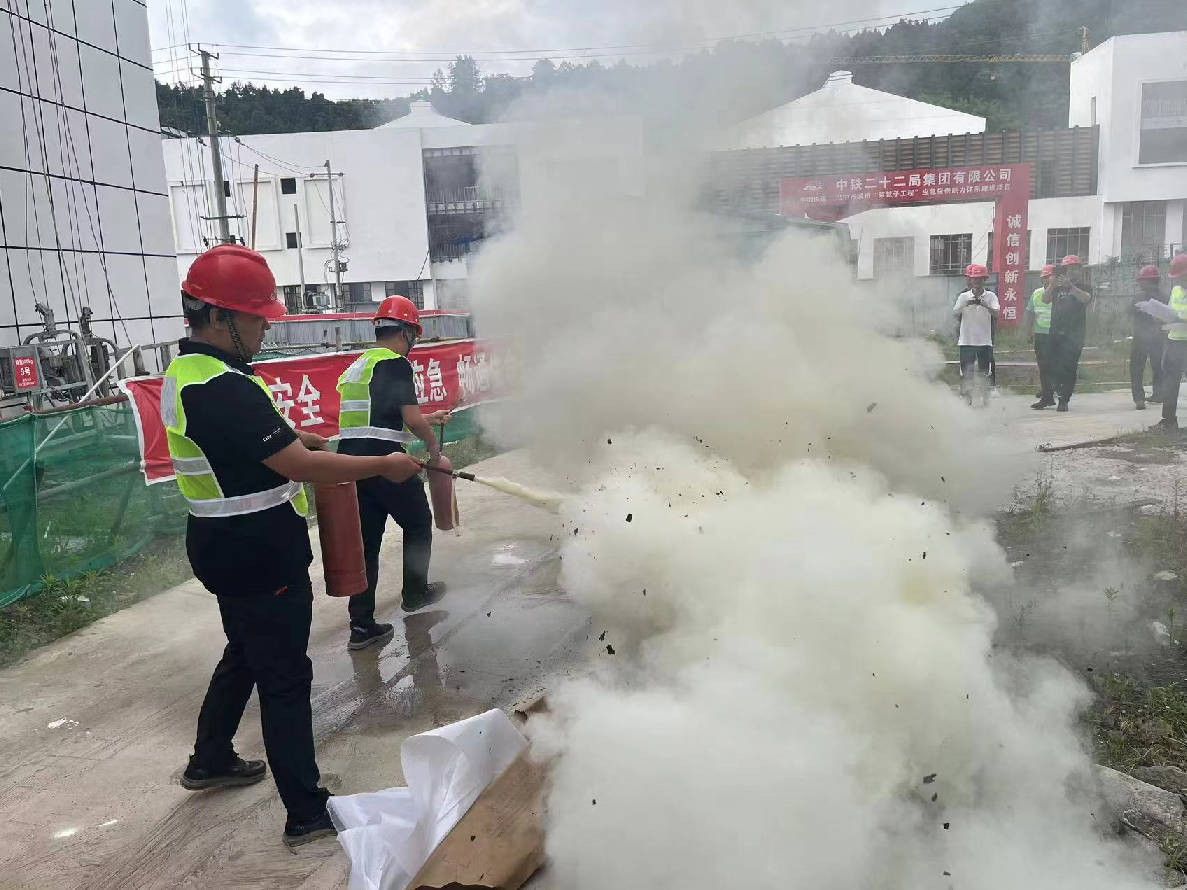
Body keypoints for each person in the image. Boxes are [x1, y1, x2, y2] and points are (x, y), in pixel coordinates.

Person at [167, 245, 422, 846]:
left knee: (244, 649)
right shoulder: (222, 387)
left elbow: (252, 443)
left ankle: (210, 757)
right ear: (219, 317)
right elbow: (297, 466)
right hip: (257, 551)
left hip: (222, 544)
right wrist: (382, 464)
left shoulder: (196, 372)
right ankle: (306, 810)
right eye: (257, 318)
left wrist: (295, 435)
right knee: (284, 677)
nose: (265, 328)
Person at [336, 296, 452, 651]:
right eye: (413, 335)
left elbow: (380, 418)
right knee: (418, 523)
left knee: (367, 543)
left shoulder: (360, 365)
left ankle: (361, 625)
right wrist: (433, 447)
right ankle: (415, 593)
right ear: (406, 333)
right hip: (386, 464)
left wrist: (428, 419)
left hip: (353, 468)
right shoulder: (396, 362)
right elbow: (411, 420)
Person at [1043, 255, 1093, 413]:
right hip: (1055, 332)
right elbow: (1045, 299)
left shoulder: (1084, 286)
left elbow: (1086, 299)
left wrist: (1071, 286)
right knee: (1051, 365)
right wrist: (1051, 285)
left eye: (1073, 269)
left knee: (1069, 367)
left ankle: (1064, 399)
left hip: (1074, 335)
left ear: (1079, 270)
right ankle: (1056, 390)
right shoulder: (1057, 287)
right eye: (1067, 269)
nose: (1070, 272)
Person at [952, 264, 999, 407]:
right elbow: (955, 313)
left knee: (985, 372)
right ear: (970, 280)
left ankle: (985, 398)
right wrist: (966, 304)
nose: (977, 281)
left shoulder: (990, 296)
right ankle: (967, 398)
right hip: (966, 341)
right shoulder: (963, 296)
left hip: (984, 341)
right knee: (967, 372)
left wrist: (985, 305)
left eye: (980, 279)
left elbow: (996, 313)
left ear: (985, 280)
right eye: (974, 279)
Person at [1154, 252, 1187, 431]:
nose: (1179, 281)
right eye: (1177, 278)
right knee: (1170, 382)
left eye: (1182, 277)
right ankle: (1168, 420)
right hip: (1174, 341)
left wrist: (1180, 320)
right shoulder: (1176, 290)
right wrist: (1162, 317)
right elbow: (1171, 311)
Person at [1131, 264, 1168, 410]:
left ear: (1149, 281)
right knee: (1157, 366)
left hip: (1144, 337)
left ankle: (1139, 399)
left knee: (1137, 368)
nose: (1140, 283)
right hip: (1156, 337)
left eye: (1142, 280)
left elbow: (1129, 311)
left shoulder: (1139, 297)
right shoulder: (1164, 297)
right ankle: (1158, 394)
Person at [1025, 265, 1057, 409]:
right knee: (1043, 366)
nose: (1047, 280)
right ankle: (1047, 394)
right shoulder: (1037, 293)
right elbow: (1030, 313)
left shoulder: (1060, 293)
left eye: (1050, 277)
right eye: (1045, 277)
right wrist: (1029, 332)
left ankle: (1049, 391)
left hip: (1057, 334)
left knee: (1055, 365)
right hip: (1041, 334)